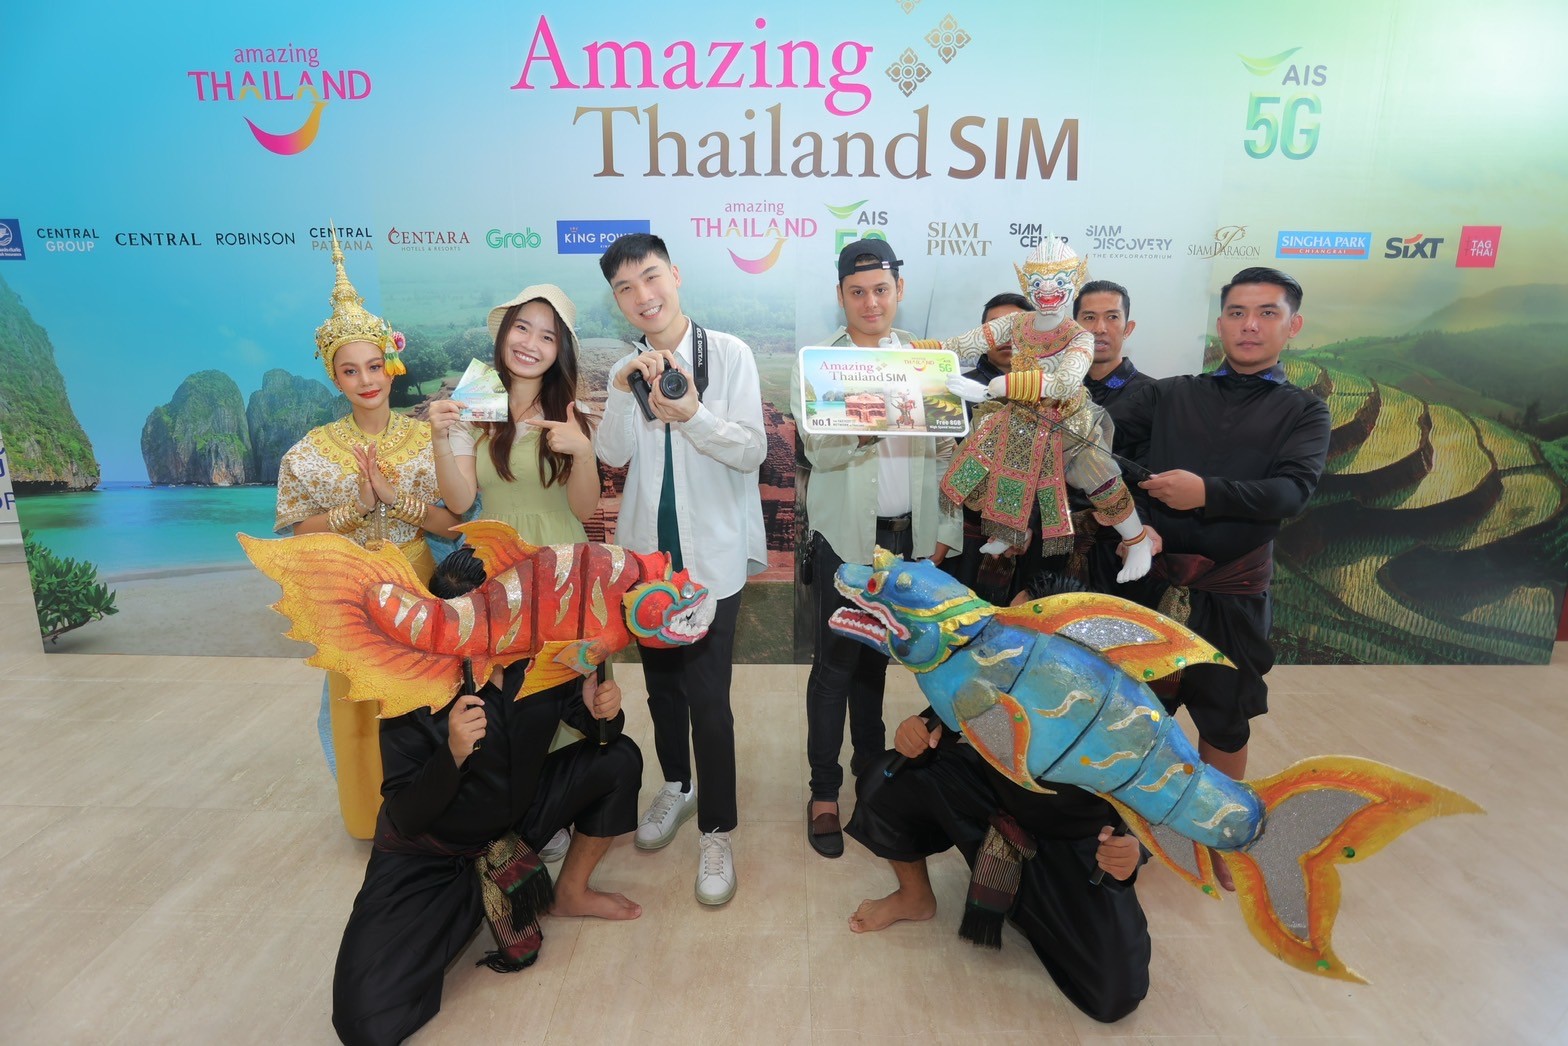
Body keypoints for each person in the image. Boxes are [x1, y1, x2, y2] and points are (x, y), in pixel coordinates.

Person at [331, 548, 643, 1046]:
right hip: (430, 856)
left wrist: (600, 712)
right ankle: (478, 894)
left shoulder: (540, 661)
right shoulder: (413, 690)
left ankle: (569, 892)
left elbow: (601, 737)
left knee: (619, 757)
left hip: (514, 820)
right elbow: (404, 815)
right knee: (364, 1026)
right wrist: (451, 755)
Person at [1115, 266, 1332, 887]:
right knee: (1132, 716)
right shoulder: (1169, 394)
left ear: (1293, 325)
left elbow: (1291, 492)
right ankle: (1125, 833)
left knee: (1225, 719)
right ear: (1220, 324)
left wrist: (1205, 491)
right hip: (1149, 582)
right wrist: (1137, 517)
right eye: (1237, 312)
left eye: (1266, 313)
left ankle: (1216, 835)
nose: (1250, 326)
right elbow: (1102, 451)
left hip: (1231, 592)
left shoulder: (1304, 411)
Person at [594, 232, 767, 905]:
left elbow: (750, 450)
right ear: (617, 300)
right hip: (647, 560)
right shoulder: (628, 368)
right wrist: (620, 388)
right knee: (661, 689)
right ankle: (678, 786)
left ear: (676, 275)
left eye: (650, 277)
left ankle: (717, 830)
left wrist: (692, 413)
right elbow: (613, 454)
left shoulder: (728, 355)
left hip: (710, 561)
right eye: (625, 288)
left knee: (709, 702)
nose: (642, 295)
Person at [275, 231, 461, 839]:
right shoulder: (310, 452)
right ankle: (371, 821)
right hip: (349, 595)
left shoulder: (426, 439)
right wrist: (355, 507)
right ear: (335, 377)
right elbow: (300, 533)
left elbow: (453, 525)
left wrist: (395, 498)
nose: (366, 380)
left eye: (374, 366)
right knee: (356, 706)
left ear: (390, 365)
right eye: (350, 370)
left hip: (420, 583)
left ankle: (435, 813)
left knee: (426, 701)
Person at [790, 238, 962, 860]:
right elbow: (819, 450)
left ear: (899, 290)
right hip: (844, 542)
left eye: (881, 290)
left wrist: (946, 530)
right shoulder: (821, 366)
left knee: (877, 662)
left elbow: (947, 451)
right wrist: (873, 415)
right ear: (840, 296)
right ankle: (823, 791)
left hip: (907, 540)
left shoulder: (926, 361)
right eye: (857, 292)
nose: (871, 302)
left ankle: (868, 766)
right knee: (834, 667)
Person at [844, 699, 1150, 1023]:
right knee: (887, 777)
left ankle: (1032, 905)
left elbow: (1172, 785)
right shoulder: (1010, 665)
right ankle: (914, 896)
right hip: (993, 796)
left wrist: (1137, 846)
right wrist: (919, 731)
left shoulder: (1141, 684)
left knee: (1116, 994)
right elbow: (956, 704)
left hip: (1079, 842)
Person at [428, 284, 599, 545]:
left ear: (559, 351)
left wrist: (583, 452)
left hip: (560, 556)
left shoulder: (573, 415)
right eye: (521, 328)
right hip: (493, 555)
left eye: (547, 337)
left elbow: (584, 512)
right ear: (505, 331)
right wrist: (440, 439)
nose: (529, 344)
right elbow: (460, 502)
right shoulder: (473, 405)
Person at [943, 292, 1033, 602]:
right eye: (995, 328)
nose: (1004, 336)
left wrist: (1029, 522)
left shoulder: (1051, 392)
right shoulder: (955, 390)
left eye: (1014, 326)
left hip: (1033, 539)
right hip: (964, 537)